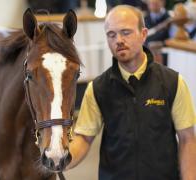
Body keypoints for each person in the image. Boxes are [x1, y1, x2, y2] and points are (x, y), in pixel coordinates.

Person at [67, 5, 196, 180]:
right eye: (111, 35)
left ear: (143, 35)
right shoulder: (98, 88)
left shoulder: (172, 83)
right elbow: (83, 138)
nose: (118, 40)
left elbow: (187, 140)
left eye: (125, 32)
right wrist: (60, 159)